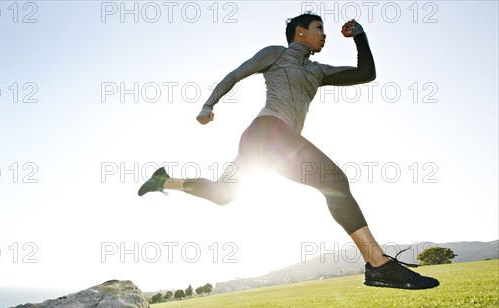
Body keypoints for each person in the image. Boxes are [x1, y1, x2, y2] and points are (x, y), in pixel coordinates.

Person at [138, 13, 439, 290]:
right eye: (319, 28)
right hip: (267, 131)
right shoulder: (276, 54)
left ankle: (165, 181)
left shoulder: (317, 71)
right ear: (300, 32)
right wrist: (208, 104)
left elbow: (366, 73)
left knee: (224, 194)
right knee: (334, 182)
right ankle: (378, 264)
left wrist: (360, 36)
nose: (325, 34)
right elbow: (236, 74)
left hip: (269, 142)